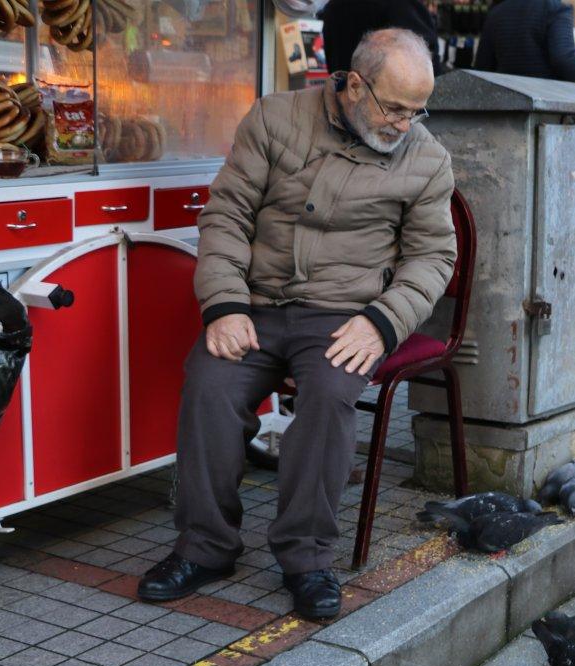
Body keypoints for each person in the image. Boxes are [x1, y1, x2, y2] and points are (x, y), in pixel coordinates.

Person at [136, 30, 456, 620]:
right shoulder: (275, 118)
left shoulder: (427, 158)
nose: (406, 125)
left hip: (344, 315)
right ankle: (205, 546)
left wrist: (383, 324)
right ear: (354, 85)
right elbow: (226, 215)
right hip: (255, 304)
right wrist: (225, 304)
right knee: (208, 384)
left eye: (419, 111)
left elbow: (433, 258)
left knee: (331, 395)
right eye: (394, 108)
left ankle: (306, 558)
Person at [473, 0, 575, 84]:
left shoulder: (497, 13)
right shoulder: (556, 9)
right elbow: (563, 59)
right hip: (546, 106)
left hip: (506, 106)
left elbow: (482, 68)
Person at [322, 0, 442, 75]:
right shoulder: (401, 5)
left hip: (341, 100)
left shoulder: (333, 6)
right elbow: (426, 63)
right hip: (388, 105)